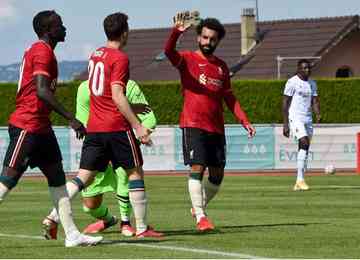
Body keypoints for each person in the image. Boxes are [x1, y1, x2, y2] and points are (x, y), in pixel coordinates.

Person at [42, 12, 163, 239]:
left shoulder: (95, 54)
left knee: (81, 178)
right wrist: (137, 126)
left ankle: (52, 217)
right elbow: (117, 95)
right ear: (125, 32)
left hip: (95, 129)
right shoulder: (120, 58)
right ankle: (141, 228)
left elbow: (103, 92)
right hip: (116, 127)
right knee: (135, 172)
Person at [0, 10, 102, 247]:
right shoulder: (42, 51)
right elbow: (42, 90)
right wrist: (72, 118)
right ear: (48, 30)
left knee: (57, 179)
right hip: (28, 124)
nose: (64, 28)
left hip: (41, 127)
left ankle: (72, 235)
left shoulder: (43, 51)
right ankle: (72, 234)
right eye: (60, 25)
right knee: (8, 179)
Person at [164, 12, 256, 231]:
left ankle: (198, 206)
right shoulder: (187, 59)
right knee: (197, 167)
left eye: (212, 39)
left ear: (217, 41)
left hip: (216, 127)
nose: (208, 42)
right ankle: (201, 217)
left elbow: (229, 97)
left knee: (217, 175)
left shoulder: (222, 67)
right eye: (204, 38)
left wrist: (245, 120)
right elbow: (168, 52)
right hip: (193, 123)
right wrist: (176, 32)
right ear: (198, 38)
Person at [282, 59, 321, 191]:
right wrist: (285, 124)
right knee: (304, 142)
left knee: (304, 147)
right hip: (295, 117)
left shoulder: (312, 83)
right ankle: (300, 180)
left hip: (307, 119)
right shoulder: (292, 82)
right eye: (304, 68)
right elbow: (285, 103)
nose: (307, 70)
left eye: (309, 68)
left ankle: (299, 180)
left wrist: (318, 113)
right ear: (298, 69)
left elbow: (315, 100)